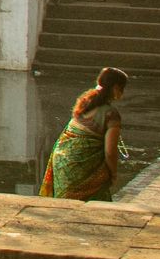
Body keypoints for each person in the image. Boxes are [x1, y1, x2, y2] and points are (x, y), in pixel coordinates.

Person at [42, 66, 130, 200]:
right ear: (117, 88)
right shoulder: (110, 114)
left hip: (62, 165)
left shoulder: (84, 104)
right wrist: (113, 174)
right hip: (82, 171)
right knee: (98, 206)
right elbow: (110, 152)